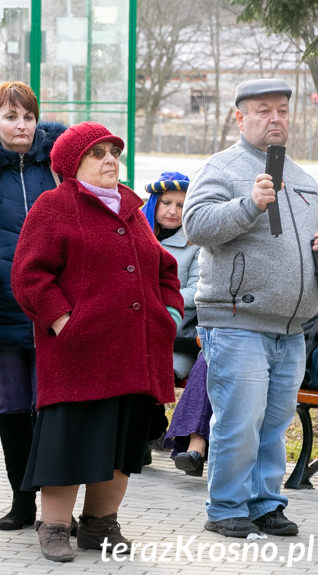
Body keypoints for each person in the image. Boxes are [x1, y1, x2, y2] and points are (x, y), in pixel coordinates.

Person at [11, 121, 183, 562]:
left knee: (123, 442)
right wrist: (64, 321)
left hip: (136, 353)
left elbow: (164, 268)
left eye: (113, 152)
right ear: (73, 164)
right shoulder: (55, 206)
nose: (110, 160)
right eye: (98, 153)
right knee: (70, 440)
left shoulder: (130, 205)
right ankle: (52, 526)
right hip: (79, 353)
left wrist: (170, 315)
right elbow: (30, 276)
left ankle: (99, 526)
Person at [183, 79, 318, 538]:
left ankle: (266, 503)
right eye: (263, 110)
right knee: (239, 421)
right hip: (236, 319)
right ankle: (225, 507)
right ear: (240, 118)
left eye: (282, 110)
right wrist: (249, 203)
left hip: (293, 325)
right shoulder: (222, 167)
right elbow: (197, 224)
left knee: (273, 422)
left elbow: (306, 244)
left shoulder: (304, 179)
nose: (276, 118)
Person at [0, 82, 64, 531]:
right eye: (10, 116)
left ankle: (54, 503)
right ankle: (21, 497)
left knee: (52, 405)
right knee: (12, 407)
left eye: (27, 117)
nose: (21, 125)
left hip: (52, 308)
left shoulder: (60, 166)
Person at [140, 171, 209, 477]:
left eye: (181, 205)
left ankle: (148, 432)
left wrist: (158, 298)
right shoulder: (139, 237)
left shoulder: (196, 246)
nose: (172, 210)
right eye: (166, 202)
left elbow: (197, 290)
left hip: (176, 337)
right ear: (154, 203)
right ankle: (141, 434)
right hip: (137, 330)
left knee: (153, 367)